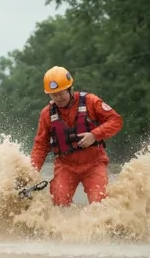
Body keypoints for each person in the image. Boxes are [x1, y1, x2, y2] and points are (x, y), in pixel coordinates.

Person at [30, 66, 124, 207]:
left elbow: (116, 121)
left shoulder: (91, 101)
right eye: (53, 95)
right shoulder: (46, 114)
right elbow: (40, 146)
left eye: (61, 93)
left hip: (94, 163)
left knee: (100, 203)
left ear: (69, 89)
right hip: (65, 166)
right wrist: (31, 173)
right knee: (59, 204)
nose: (58, 98)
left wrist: (94, 135)